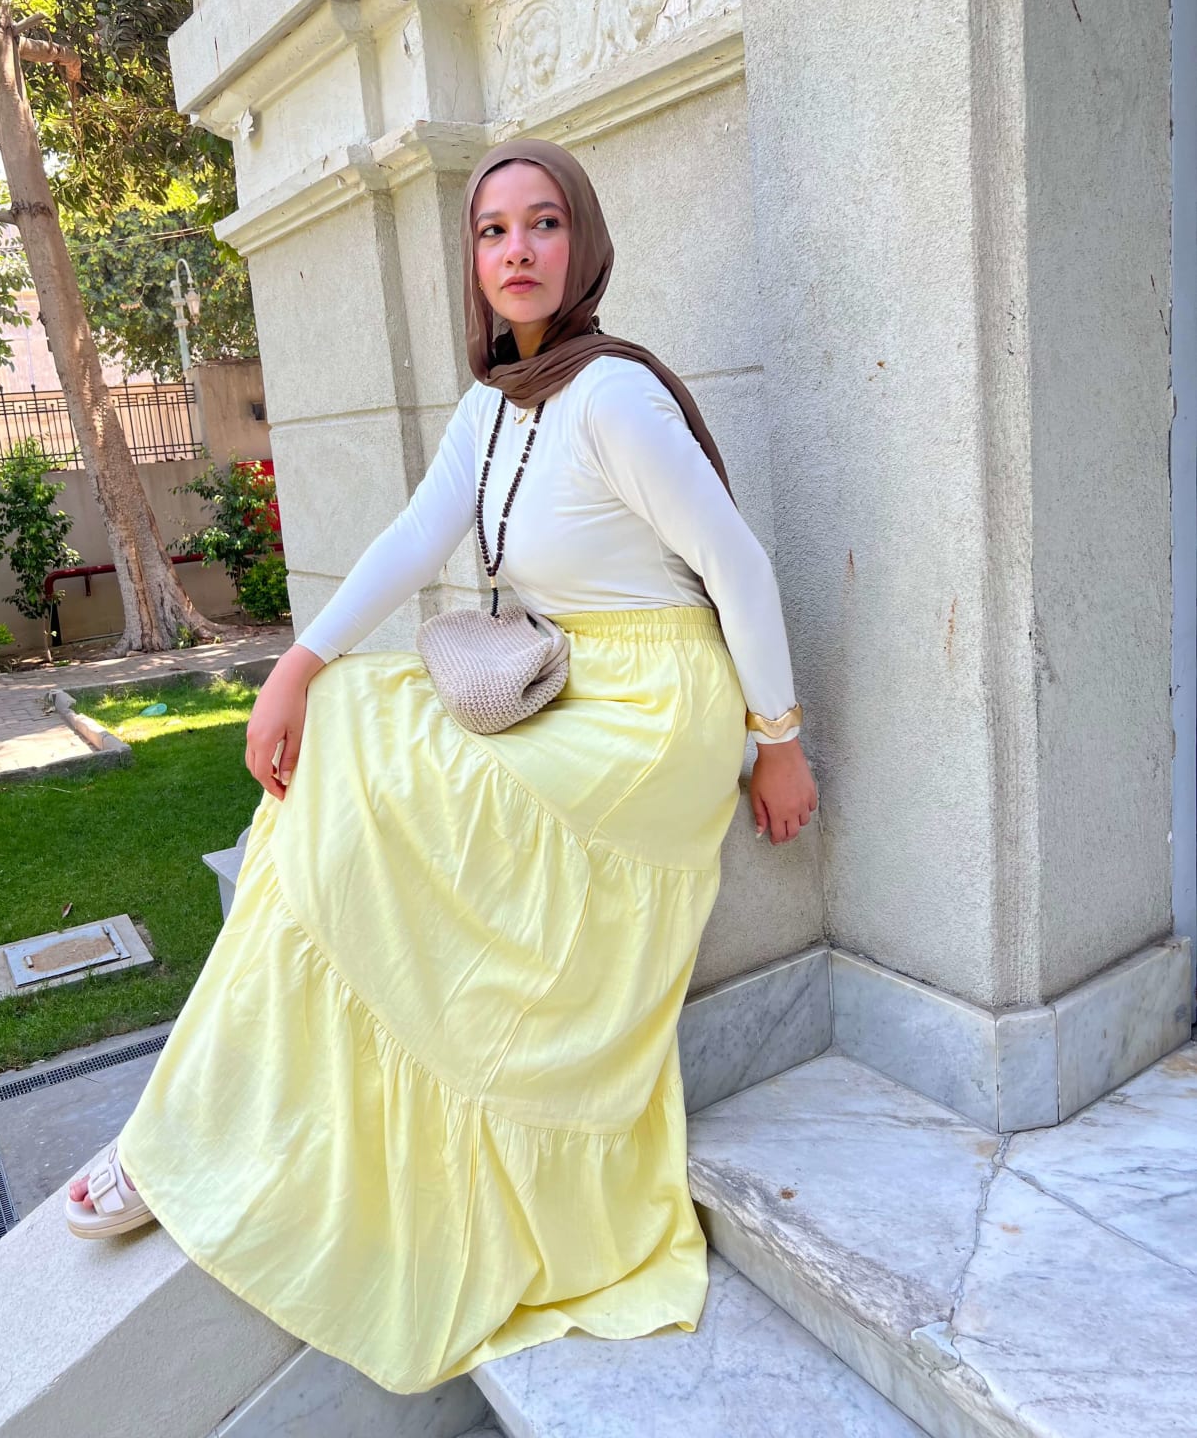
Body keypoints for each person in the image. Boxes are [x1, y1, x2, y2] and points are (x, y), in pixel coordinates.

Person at [64, 139, 818, 1395]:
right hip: (571, 675)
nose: (516, 250)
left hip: (655, 705)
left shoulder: (612, 396)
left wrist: (776, 742)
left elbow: (736, 565)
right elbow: (419, 535)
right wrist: (296, 665)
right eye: (491, 231)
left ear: (581, 244)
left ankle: (189, 1131)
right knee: (345, 727)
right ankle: (189, 1125)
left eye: (542, 224)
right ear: (470, 259)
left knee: (409, 793)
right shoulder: (493, 404)